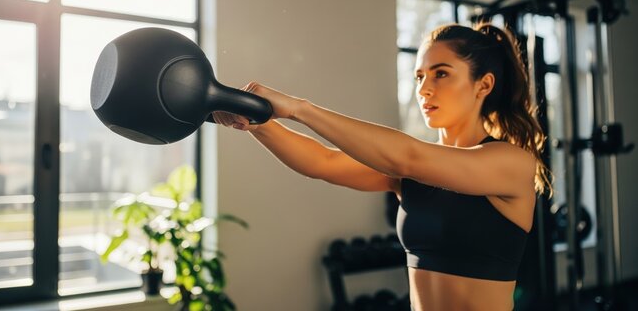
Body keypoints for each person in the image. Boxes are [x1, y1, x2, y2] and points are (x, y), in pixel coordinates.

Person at [212, 22, 551, 311]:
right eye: (419, 76)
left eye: (441, 74)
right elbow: (323, 161)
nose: (424, 89)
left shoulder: (511, 163)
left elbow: (408, 157)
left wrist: (299, 109)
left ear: (484, 85)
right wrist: (257, 124)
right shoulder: (412, 171)